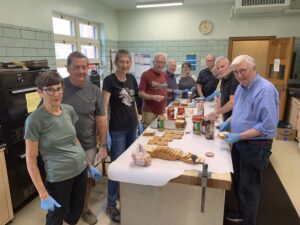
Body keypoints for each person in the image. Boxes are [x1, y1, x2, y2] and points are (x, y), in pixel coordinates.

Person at [24, 71, 101, 225]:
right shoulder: (34, 120)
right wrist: (42, 193)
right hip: (59, 178)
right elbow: (31, 159)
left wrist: (87, 164)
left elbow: (73, 139)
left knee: (75, 213)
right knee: (55, 218)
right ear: (39, 92)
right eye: (50, 89)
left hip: (79, 171)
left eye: (59, 88)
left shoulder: (68, 110)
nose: (56, 93)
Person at [219, 55, 279, 225]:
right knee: (238, 182)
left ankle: (249, 221)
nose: (239, 75)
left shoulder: (264, 90)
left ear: (253, 69)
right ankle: (242, 213)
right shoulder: (241, 87)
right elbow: (237, 109)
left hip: (256, 146)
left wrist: (239, 135)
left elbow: (267, 126)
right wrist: (228, 122)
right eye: (236, 72)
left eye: (243, 70)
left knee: (249, 187)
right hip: (240, 143)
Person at [62, 51, 107, 225]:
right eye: (76, 67)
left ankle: (83, 208)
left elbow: (101, 120)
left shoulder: (94, 90)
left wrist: (102, 146)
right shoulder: (58, 88)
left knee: (87, 180)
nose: (81, 71)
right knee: (66, 182)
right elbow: (43, 114)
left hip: (88, 145)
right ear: (67, 68)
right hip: (63, 148)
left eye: (84, 67)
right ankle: (66, 210)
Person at [102, 49, 142, 223]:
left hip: (132, 127)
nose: (124, 65)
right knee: (116, 167)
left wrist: (138, 118)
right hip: (117, 130)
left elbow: (133, 102)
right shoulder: (109, 80)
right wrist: (104, 133)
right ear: (115, 63)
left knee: (129, 162)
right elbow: (104, 107)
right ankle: (111, 204)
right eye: (121, 62)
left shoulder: (132, 78)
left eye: (127, 62)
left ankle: (123, 194)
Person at [139, 52, 168, 128]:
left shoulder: (164, 74)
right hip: (149, 112)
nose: (159, 64)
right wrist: (153, 97)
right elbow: (140, 93)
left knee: (160, 133)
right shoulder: (145, 74)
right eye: (157, 62)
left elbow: (164, 89)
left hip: (161, 110)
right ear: (153, 62)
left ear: (164, 64)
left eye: (162, 62)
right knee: (148, 134)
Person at [206, 56, 239, 121]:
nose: (220, 69)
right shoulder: (223, 79)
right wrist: (215, 112)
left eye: (222, 66)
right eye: (218, 68)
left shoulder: (234, 78)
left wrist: (217, 112)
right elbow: (220, 98)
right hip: (225, 116)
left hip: (234, 118)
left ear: (229, 66)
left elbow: (232, 103)